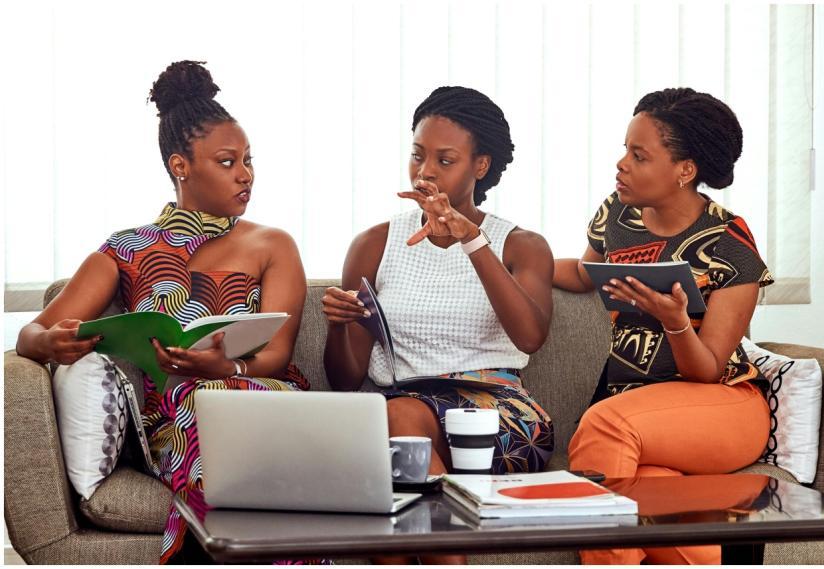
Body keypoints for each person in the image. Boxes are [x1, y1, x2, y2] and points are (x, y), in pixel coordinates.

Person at [16, 60, 317, 564]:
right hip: (179, 421)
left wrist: (228, 367)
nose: (246, 175)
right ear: (181, 165)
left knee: (222, 399)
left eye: (249, 160)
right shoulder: (126, 250)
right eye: (228, 162)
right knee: (202, 406)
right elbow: (31, 334)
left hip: (265, 400)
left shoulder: (273, 245)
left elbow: (278, 355)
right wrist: (48, 342)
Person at [322, 86, 555, 564]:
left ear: (480, 166)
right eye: (417, 155)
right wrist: (340, 324)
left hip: (496, 414)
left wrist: (473, 241)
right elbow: (345, 379)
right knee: (398, 429)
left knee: (396, 442)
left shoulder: (521, 246)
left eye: (444, 160)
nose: (425, 171)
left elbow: (530, 336)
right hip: (400, 411)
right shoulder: (374, 244)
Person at [554, 87, 774, 565]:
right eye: (625, 150)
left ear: (684, 170)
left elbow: (707, 369)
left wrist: (676, 322)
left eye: (639, 155)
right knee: (652, 500)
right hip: (643, 414)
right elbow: (583, 274)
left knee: (603, 424)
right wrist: (507, 261)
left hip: (724, 406)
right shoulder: (618, 213)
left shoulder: (729, 242)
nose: (621, 164)